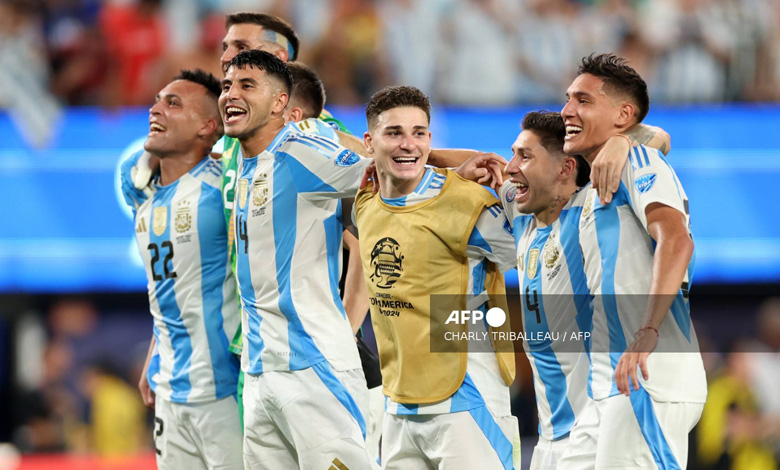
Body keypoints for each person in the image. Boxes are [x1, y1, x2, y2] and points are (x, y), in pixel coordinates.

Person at [221, 49, 375, 469]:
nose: (230, 94)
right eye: (227, 85)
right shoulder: (246, 166)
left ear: (279, 104)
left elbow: (381, 173)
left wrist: (455, 164)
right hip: (259, 373)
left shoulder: (300, 150)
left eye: (246, 85)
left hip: (313, 369)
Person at [353, 85, 521, 469]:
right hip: (396, 405)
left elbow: (533, 252)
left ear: (431, 138)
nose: (407, 144)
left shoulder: (468, 202)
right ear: (370, 141)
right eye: (394, 133)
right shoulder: (365, 201)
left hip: (465, 398)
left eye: (419, 133)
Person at [561, 53, 707, 469]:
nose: (567, 110)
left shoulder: (638, 163)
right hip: (611, 384)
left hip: (649, 373)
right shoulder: (596, 184)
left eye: (583, 101)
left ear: (623, 115)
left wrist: (646, 330)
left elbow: (677, 241)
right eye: (568, 99)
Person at [120, 69, 242, 470]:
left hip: (226, 393)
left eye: (173, 103)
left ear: (208, 127)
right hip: (168, 392)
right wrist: (155, 354)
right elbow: (172, 291)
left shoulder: (225, 189)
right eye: (157, 100)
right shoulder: (146, 204)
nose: (156, 108)